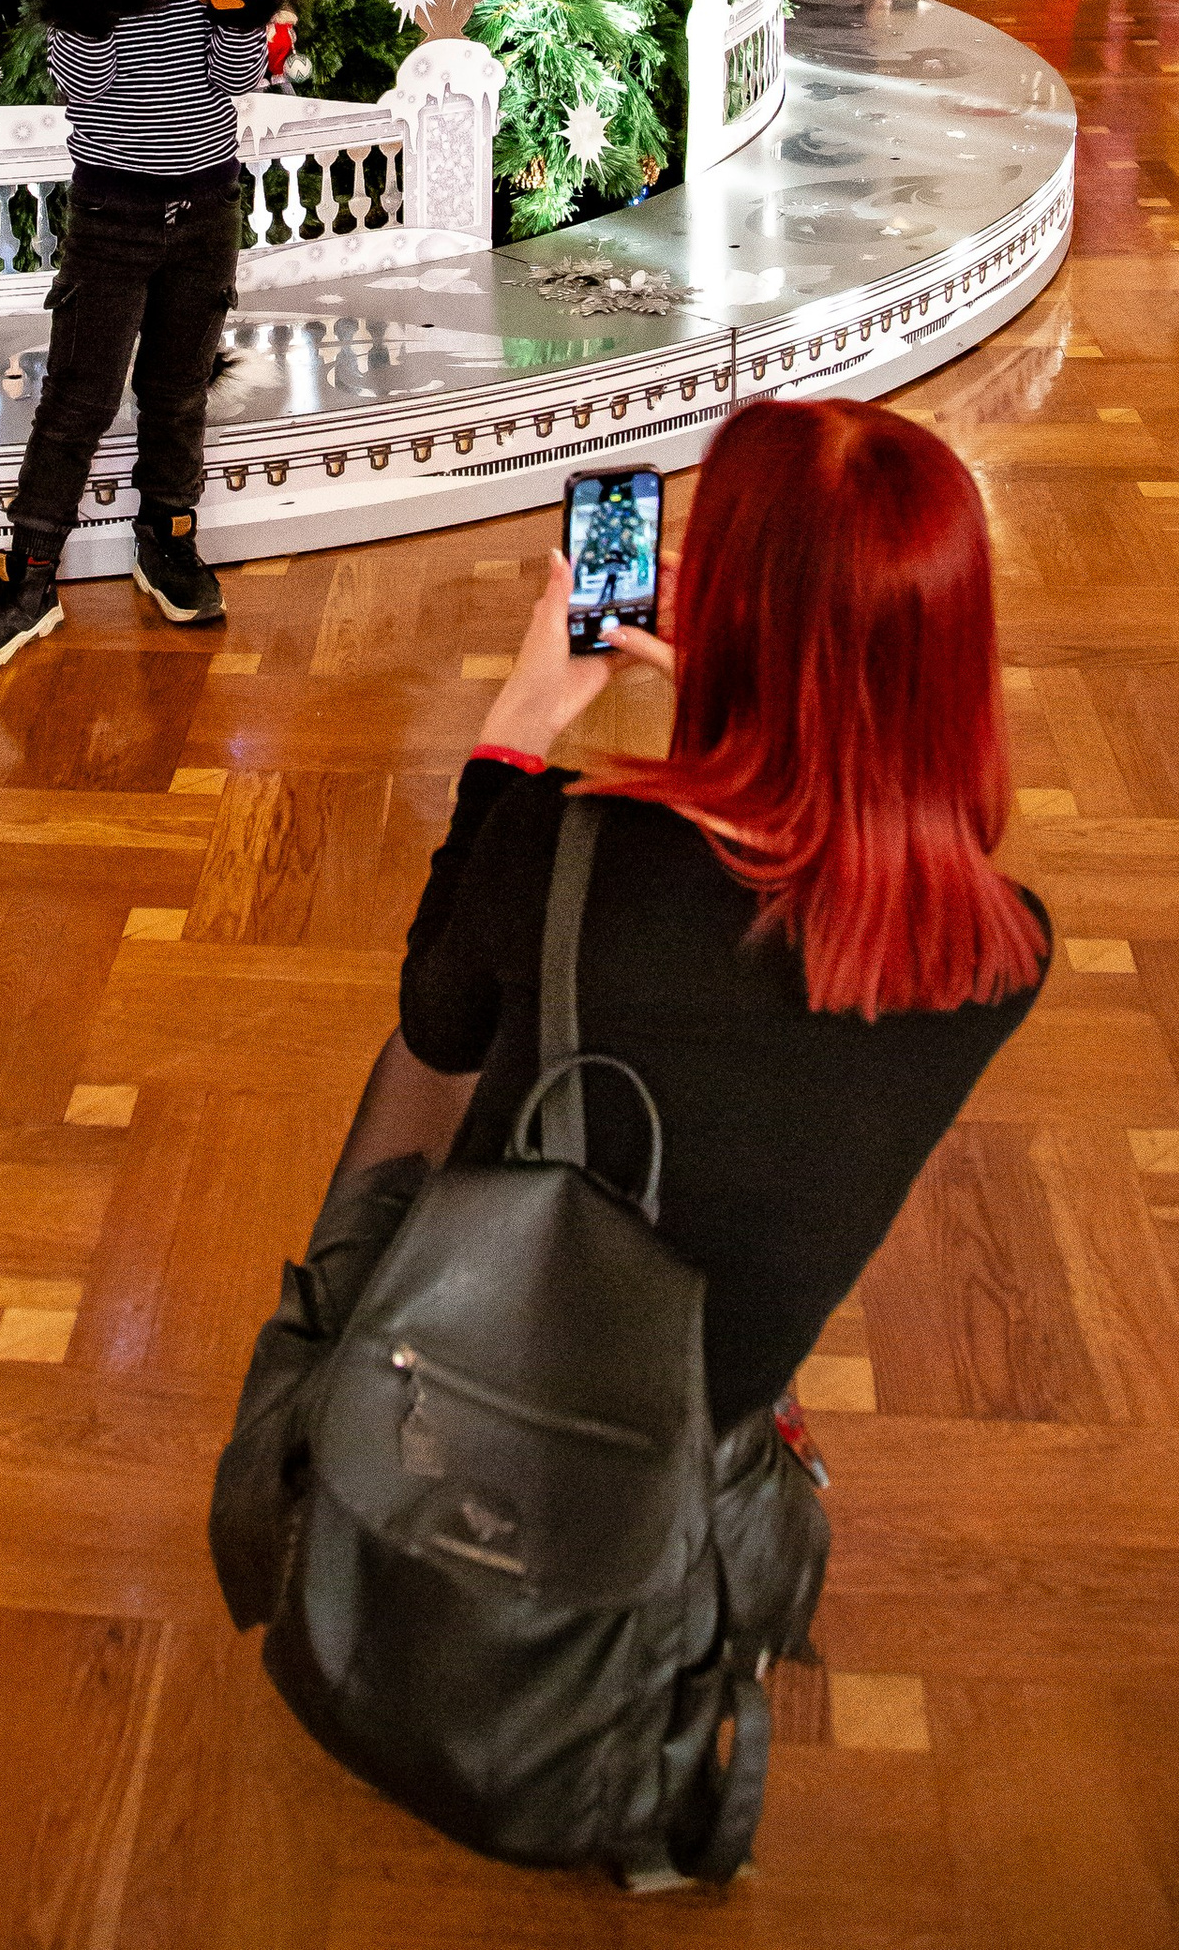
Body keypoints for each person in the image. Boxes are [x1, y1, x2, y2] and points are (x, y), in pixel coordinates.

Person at [215, 401, 1051, 1690]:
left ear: (734, 608)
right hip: (696, 1423)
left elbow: (438, 1019)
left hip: (491, 1384)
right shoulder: (996, 948)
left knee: (421, 1065)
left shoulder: (573, 847)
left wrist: (514, 731)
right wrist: (745, 685)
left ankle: (329, 1371)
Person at [0, 0, 295, 672]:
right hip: (113, 212)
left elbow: (230, 86)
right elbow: (82, 96)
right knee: (78, 400)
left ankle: (167, 539)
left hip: (205, 205)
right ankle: (29, 574)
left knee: (180, 391)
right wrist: (99, 3)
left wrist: (233, 12)